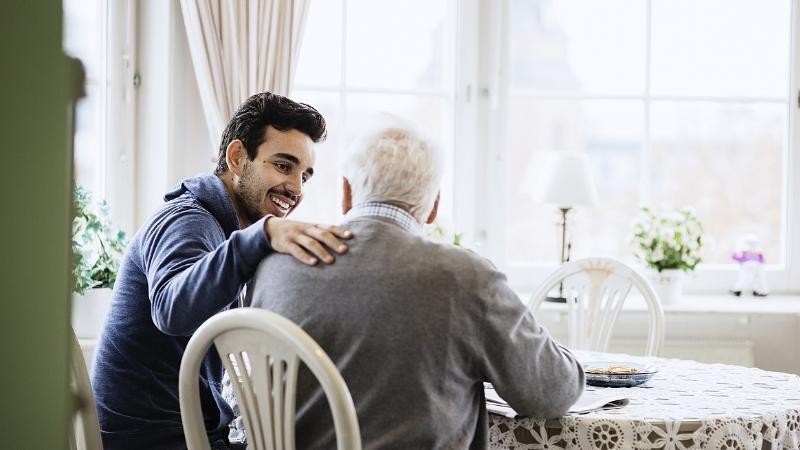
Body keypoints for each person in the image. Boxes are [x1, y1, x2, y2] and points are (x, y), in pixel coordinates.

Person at [246, 122, 585, 449]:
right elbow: (551, 393)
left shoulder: (271, 265)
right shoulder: (466, 277)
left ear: (346, 193)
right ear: (434, 205)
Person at [92, 92, 352, 450]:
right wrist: (262, 235)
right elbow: (171, 309)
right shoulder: (187, 219)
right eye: (282, 165)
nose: (296, 188)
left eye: (304, 175)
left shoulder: (219, 226)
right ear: (236, 157)